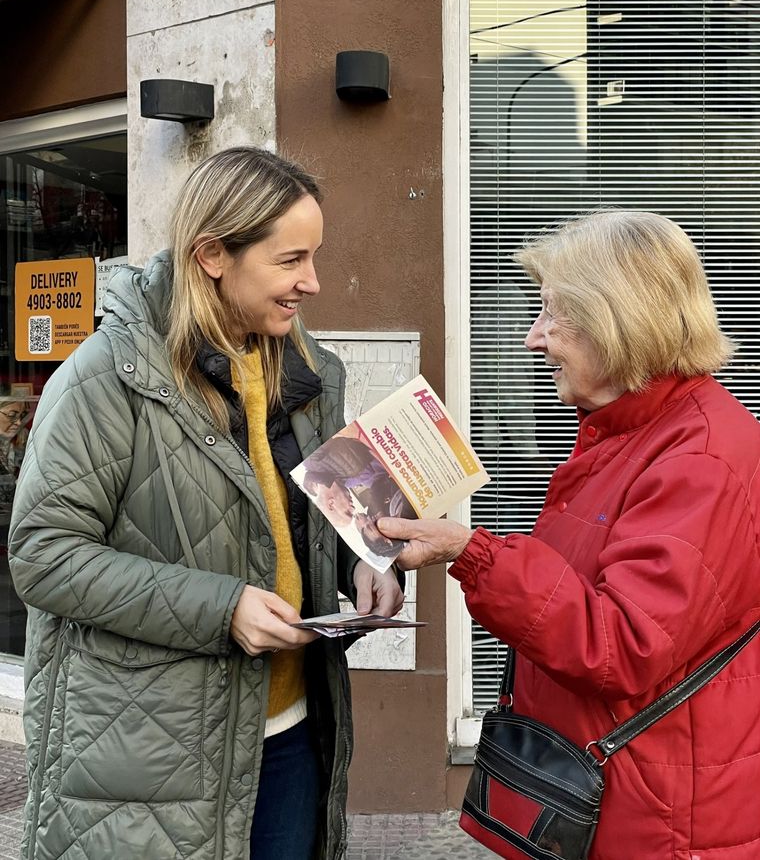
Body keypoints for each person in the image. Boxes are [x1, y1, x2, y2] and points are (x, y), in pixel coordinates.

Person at [9, 146, 403, 860]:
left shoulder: (309, 368)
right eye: (290, 260)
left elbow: (319, 512)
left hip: (291, 732)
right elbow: (44, 556)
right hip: (148, 753)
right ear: (213, 254)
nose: (313, 282)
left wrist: (368, 561)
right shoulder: (104, 377)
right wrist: (222, 609)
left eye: (314, 256)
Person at [379, 210, 760, 859]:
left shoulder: (697, 458)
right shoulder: (632, 429)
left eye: (553, 314)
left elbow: (621, 644)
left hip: (660, 823)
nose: (534, 338)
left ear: (617, 320)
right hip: (628, 798)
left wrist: (471, 553)